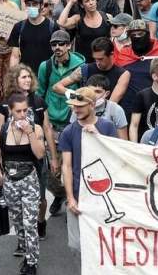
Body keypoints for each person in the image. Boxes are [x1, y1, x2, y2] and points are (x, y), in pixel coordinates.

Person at [58, 87, 118, 251]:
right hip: (79, 196)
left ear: (92, 105)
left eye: (80, 106)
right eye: (74, 106)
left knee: (104, 246)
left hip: (103, 199)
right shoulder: (68, 132)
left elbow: (115, 159)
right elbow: (67, 166)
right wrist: (70, 198)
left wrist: (98, 136)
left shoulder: (107, 127)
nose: (76, 109)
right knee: (77, 246)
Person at [0, 94, 45, 275]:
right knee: (18, 222)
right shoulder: (3, 130)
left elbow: (40, 154)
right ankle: (25, 252)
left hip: (29, 180)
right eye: (18, 111)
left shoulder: (35, 128)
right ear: (10, 111)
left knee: (30, 222)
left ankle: (32, 262)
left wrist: (30, 132)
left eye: (25, 110)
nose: (22, 114)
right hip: (10, 181)